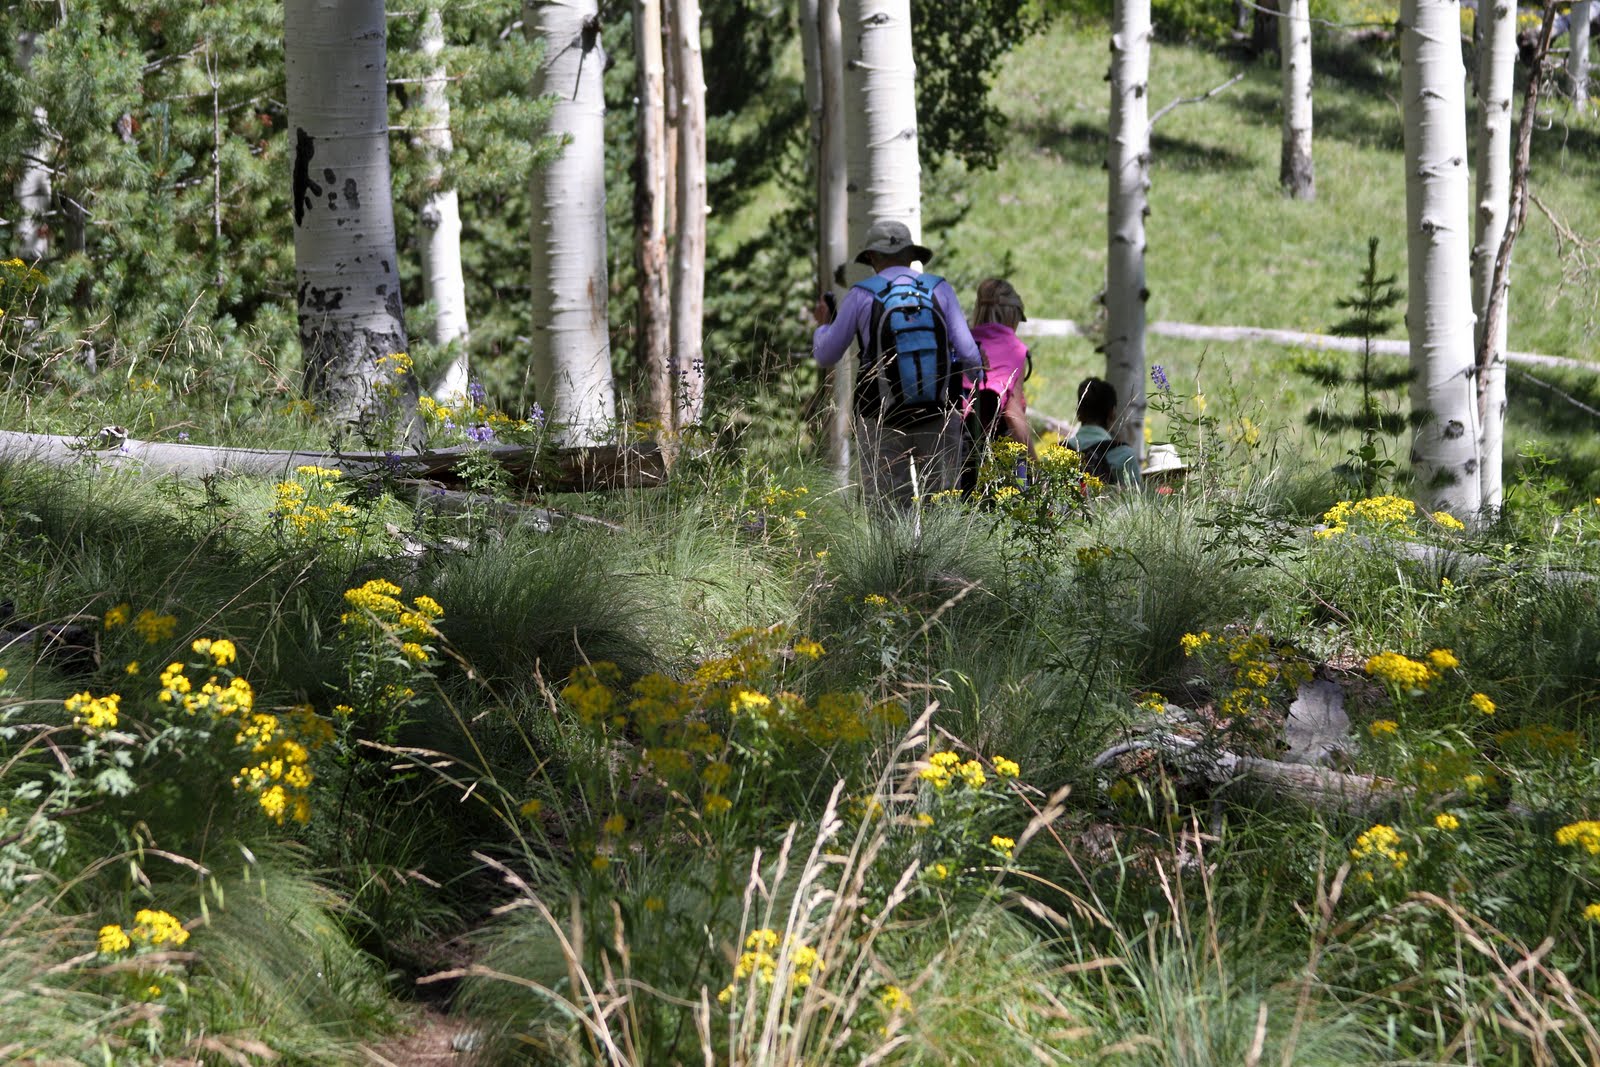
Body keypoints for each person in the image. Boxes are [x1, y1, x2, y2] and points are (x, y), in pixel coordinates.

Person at [810, 220, 983, 508]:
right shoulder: (940, 289)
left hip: (880, 418)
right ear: (911, 254)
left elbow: (826, 355)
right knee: (942, 507)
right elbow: (970, 355)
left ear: (871, 257)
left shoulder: (861, 294)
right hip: (938, 415)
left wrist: (823, 326)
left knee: (888, 511)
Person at [958, 278, 1036, 495]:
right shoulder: (1014, 348)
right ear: (1012, 313)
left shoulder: (965, 343)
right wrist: (1035, 465)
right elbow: (1012, 414)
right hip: (1000, 453)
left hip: (957, 448)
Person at [1067, 377, 1142, 488]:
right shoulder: (1124, 456)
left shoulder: (1056, 454)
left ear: (1078, 413)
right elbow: (1136, 496)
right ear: (1112, 413)